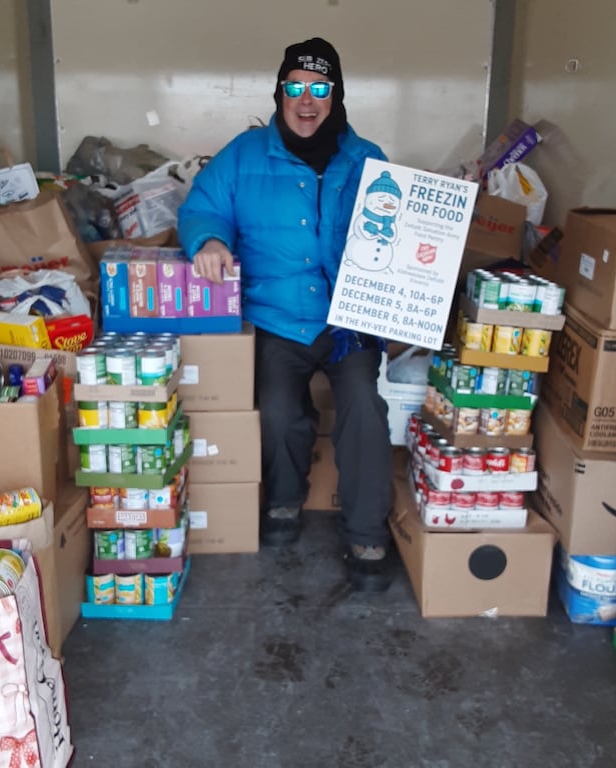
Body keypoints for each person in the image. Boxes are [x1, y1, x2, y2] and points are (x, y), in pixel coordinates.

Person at [177, 37, 394, 591]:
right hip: (277, 318)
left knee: (366, 410)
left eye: (319, 88)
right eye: (295, 86)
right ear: (278, 92)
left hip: (350, 322)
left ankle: (367, 531)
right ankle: (283, 501)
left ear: (336, 96)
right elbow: (202, 206)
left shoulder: (367, 158)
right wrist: (207, 240)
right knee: (276, 411)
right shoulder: (245, 155)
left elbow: (402, 235)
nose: (306, 100)